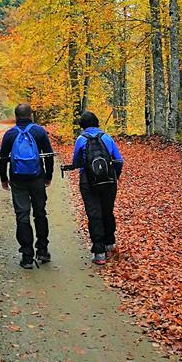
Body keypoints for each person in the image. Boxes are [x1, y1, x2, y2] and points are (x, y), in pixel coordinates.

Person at [0, 103, 54, 269]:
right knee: (40, 213)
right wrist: (48, 176)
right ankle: (42, 250)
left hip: (17, 179)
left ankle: (27, 256)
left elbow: (2, 158)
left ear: (16, 117)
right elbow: (49, 156)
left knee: (22, 215)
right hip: (37, 178)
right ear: (31, 115)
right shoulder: (39, 131)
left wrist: (4, 179)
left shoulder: (10, 134)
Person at [71, 111, 123, 266]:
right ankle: (110, 243)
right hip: (109, 180)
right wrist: (115, 175)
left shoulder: (81, 139)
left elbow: (76, 162)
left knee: (94, 213)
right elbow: (119, 160)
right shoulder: (107, 137)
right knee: (107, 210)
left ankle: (99, 252)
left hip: (88, 181)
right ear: (97, 122)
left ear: (82, 126)